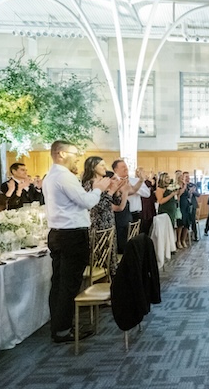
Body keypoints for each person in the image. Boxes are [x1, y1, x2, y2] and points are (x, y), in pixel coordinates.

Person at [42, 140, 110, 344]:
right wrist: (98, 189)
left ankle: (59, 326)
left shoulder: (50, 176)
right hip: (71, 235)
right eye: (75, 154)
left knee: (59, 284)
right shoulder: (64, 177)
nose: (78, 158)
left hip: (58, 233)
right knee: (69, 285)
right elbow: (87, 202)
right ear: (61, 154)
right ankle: (63, 329)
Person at [81, 156, 128, 274]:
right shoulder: (89, 184)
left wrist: (117, 190)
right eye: (101, 165)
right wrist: (110, 192)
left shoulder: (105, 182)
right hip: (98, 224)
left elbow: (116, 203)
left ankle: (111, 284)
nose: (105, 167)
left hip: (109, 222)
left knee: (111, 257)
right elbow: (97, 206)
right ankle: (101, 284)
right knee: (101, 259)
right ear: (93, 167)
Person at [112, 160, 150, 231]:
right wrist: (127, 190)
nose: (126, 168)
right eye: (123, 167)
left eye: (126, 166)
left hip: (136, 213)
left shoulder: (135, 180)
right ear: (115, 170)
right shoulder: (114, 183)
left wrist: (138, 184)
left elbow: (147, 194)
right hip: (121, 215)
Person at [155, 172, 180, 248]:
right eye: (167, 178)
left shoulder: (170, 187)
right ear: (162, 179)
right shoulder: (159, 189)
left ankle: (171, 246)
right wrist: (171, 195)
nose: (169, 179)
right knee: (165, 229)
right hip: (164, 211)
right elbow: (160, 201)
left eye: (169, 177)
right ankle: (165, 246)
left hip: (172, 210)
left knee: (171, 228)